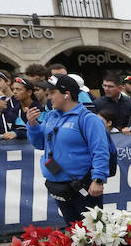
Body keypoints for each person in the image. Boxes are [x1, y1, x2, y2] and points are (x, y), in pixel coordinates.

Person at [25, 74, 109, 225]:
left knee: (93, 232)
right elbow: (40, 144)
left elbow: (100, 151)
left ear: (67, 95)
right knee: (72, 231)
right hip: (57, 185)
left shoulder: (89, 119)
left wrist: (98, 179)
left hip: (82, 186)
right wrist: (33, 125)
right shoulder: (51, 116)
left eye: (52, 93)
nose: (48, 97)